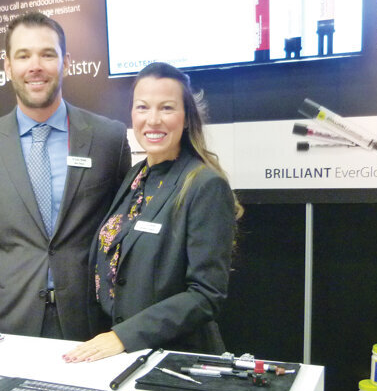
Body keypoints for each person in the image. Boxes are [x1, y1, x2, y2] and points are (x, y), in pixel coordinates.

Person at [0, 12, 131, 340]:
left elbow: (123, 230)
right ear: (7, 67)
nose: (36, 66)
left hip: (91, 322)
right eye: (23, 55)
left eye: (47, 54)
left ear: (66, 63)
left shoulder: (109, 139)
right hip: (4, 319)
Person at [63, 62, 242, 363]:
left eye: (167, 108)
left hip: (176, 360)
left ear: (186, 119)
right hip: (125, 355)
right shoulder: (135, 176)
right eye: (142, 107)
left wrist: (124, 336)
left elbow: (205, 296)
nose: (153, 120)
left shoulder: (204, 185)